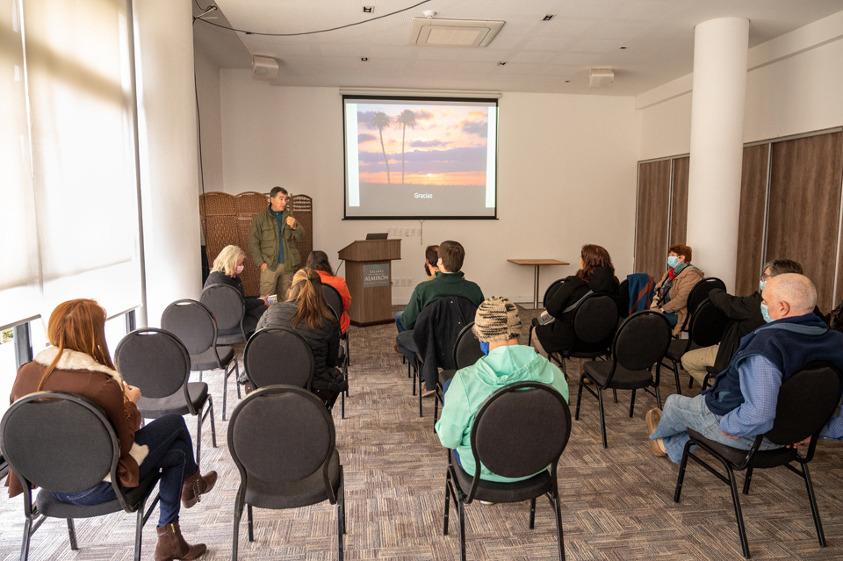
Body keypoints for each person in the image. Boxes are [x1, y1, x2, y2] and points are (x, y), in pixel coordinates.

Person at [6, 299, 216, 560]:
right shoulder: (102, 384)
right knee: (174, 426)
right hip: (99, 487)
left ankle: (173, 533)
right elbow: (124, 444)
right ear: (94, 334)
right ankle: (188, 490)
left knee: (177, 454)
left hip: (48, 485)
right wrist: (130, 402)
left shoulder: (24, 374)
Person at [647, 274, 843, 463]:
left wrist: (730, 425)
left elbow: (759, 414)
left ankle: (662, 439)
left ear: (782, 307)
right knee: (697, 406)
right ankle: (671, 446)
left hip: (753, 438)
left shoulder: (766, 347)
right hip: (794, 437)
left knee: (673, 403)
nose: (761, 305)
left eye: (764, 301)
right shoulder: (836, 341)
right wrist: (818, 430)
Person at [435, 297, 569, 482]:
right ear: (518, 329)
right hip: (537, 466)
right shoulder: (555, 374)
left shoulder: (466, 381)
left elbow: (448, 439)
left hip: (482, 472)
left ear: (481, 336)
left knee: (451, 388)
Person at [681, 259, 803, 385]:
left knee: (687, 360)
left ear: (779, 280)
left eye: (765, 276)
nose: (762, 279)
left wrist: (713, 290)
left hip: (738, 354)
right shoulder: (805, 308)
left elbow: (727, 303)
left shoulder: (757, 305)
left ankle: (716, 390)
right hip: (780, 366)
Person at [255, 268, 347, 407]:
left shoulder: (271, 312)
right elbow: (331, 361)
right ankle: (317, 421)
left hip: (269, 384)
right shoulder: (328, 320)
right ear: (319, 291)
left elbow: (257, 346)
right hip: (312, 390)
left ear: (292, 287)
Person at [534, 244, 619, 357]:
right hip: (602, 341)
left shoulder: (574, 283)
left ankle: (554, 369)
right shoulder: (614, 283)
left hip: (572, 341)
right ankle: (584, 369)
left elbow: (552, 309)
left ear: (585, 262)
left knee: (535, 331)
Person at [395, 240, 484, 332]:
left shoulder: (423, 290)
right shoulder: (474, 289)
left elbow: (407, 323)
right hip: (463, 343)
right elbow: (483, 322)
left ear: (439, 261)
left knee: (399, 317)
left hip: (430, 343)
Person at [247, 186, 305, 301]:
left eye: (286, 199)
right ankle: (268, 319)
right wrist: (260, 262)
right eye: (281, 198)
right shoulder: (260, 218)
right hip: (269, 265)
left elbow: (301, 237)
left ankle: (283, 319)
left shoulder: (289, 217)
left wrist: (294, 226)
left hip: (288, 265)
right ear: (271, 199)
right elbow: (252, 242)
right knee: (267, 299)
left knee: (286, 298)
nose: (284, 202)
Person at [204, 244, 267, 335]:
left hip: (220, 322)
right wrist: (260, 301)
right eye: (239, 264)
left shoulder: (219, 276)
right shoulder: (222, 282)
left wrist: (259, 299)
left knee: (261, 307)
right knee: (263, 312)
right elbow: (239, 305)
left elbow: (239, 300)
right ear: (230, 262)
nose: (242, 266)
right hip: (229, 325)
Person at [650, 244, 704, 335]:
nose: (669, 257)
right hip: (666, 308)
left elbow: (682, 299)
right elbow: (659, 287)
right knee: (644, 318)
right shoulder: (671, 272)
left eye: (672, 255)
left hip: (680, 314)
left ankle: (658, 345)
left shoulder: (692, 274)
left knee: (651, 321)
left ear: (682, 257)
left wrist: (662, 310)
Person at [306, 250, 352, 334]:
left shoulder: (304, 283)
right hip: (337, 327)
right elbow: (346, 305)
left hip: (310, 327)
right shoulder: (339, 282)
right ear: (327, 264)